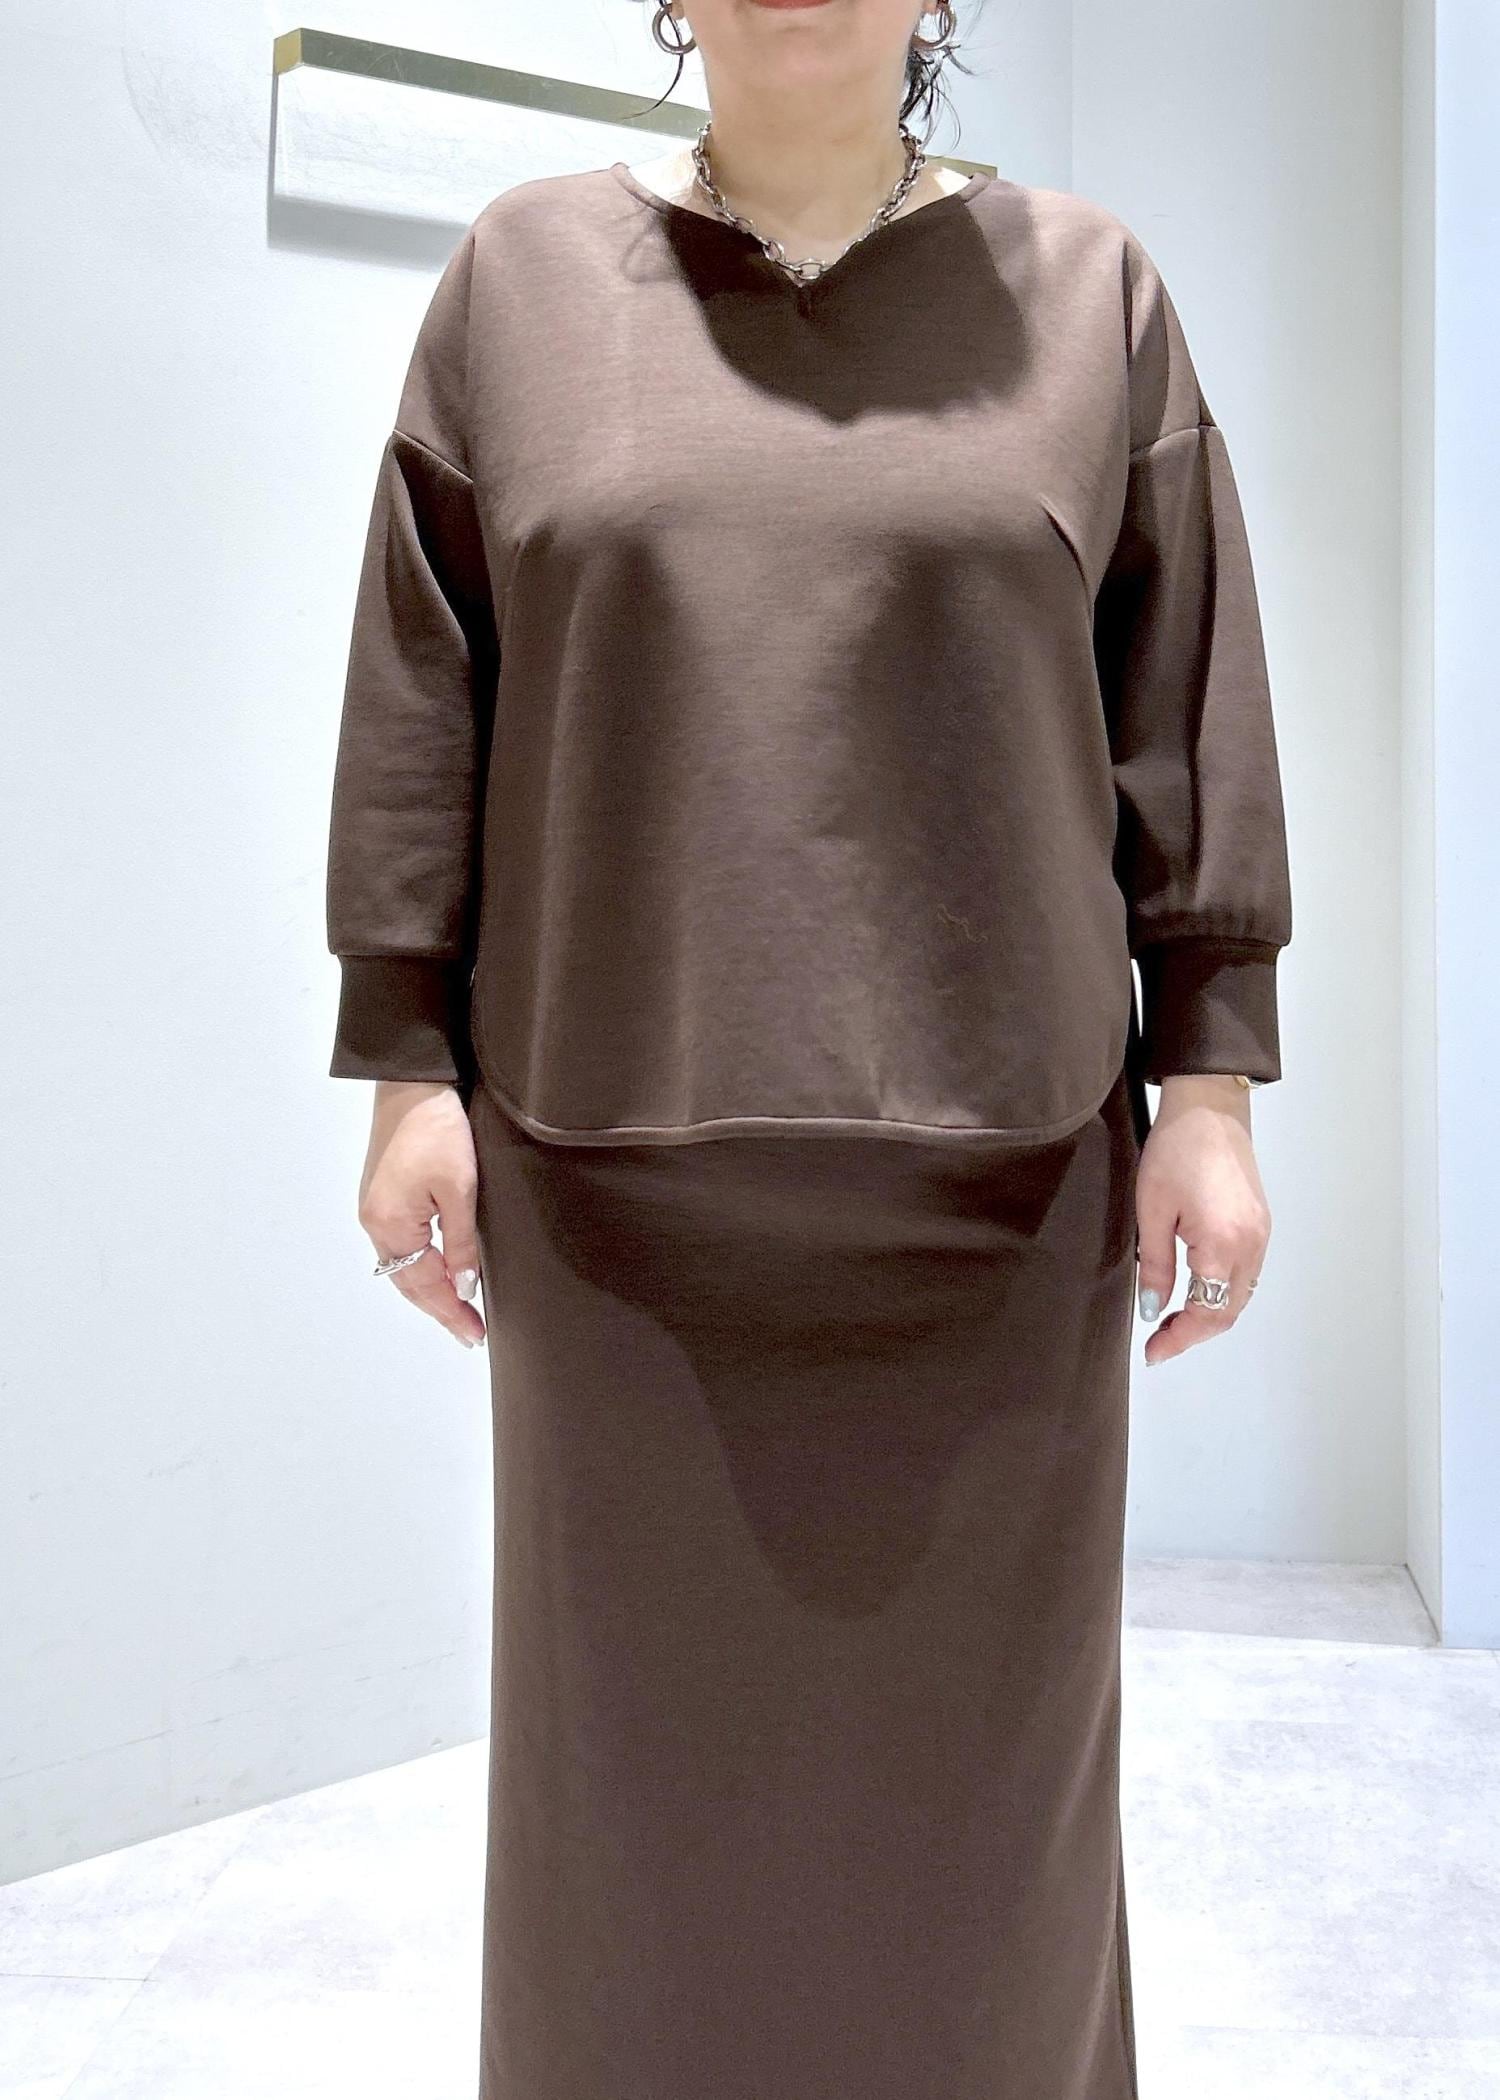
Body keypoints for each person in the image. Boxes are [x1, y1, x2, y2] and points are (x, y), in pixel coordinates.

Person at [323, 3, 1292, 2094]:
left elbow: (1180, 705)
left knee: (986, 1837)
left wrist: (1208, 1080)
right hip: (615, 1210)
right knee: (630, 1825)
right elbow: (426, 693)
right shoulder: (519, 282)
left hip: (997, 1207)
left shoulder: (1093, 299)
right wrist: (405, 1062)